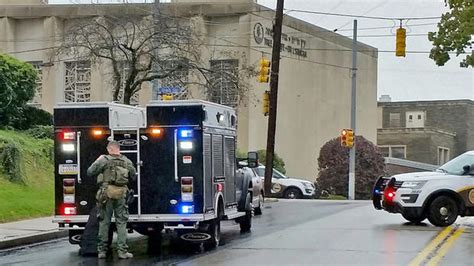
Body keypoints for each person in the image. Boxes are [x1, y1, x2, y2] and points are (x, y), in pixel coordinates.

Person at [87, 141, 137, 259]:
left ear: (109, 149)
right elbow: (133, 175)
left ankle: (102, 251)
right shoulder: (126, 161)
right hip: (121, 194)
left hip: (106, 194)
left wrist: (97, 160)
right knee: (121, 223)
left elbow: (90, 172)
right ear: (119, 149)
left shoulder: (104, 160)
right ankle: (122, 251)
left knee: (104, 222)